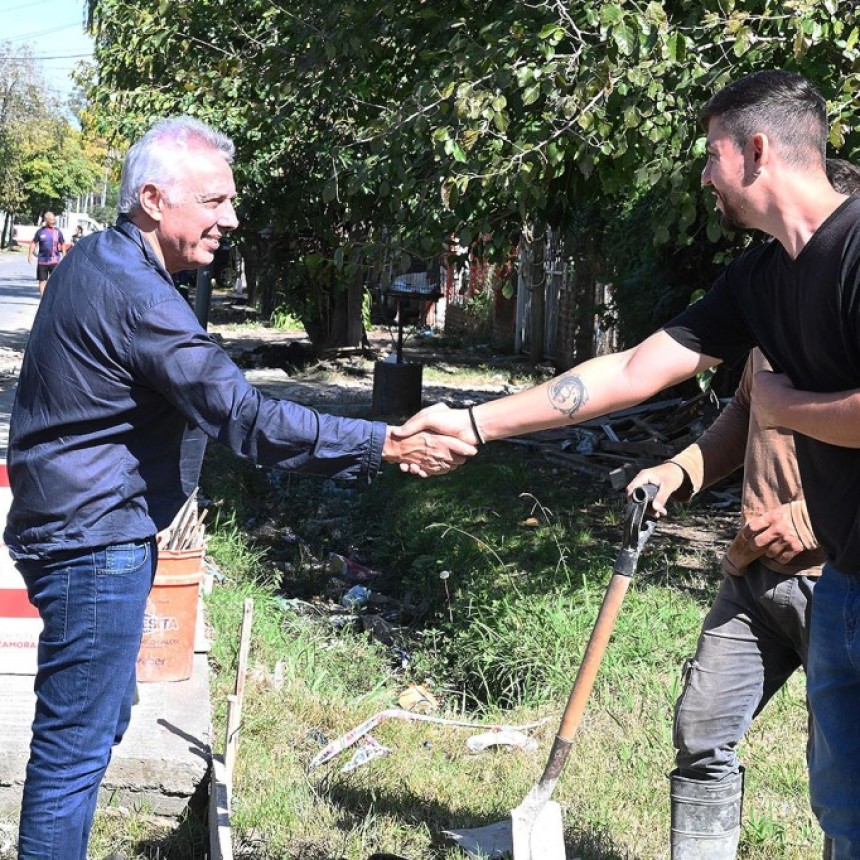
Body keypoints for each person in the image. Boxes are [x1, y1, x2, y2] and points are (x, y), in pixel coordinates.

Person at [399, 70, 860, 857]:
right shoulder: (759, 278)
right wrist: (477, 424)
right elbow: (634, 368)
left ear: (755, 151)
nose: (704, 177)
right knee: (845, 815)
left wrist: (787, 410)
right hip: (848, 581)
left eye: (711, 157)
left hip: (837, 576)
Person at [5, 116, 476, 860]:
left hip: (66, 522)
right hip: (93, 542)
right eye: (215, 201)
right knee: (72, 757)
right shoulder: (142, 296)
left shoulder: (98, 258)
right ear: (155, 200)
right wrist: (382, 440)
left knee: (93, 724)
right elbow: (247, 419)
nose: (231, 219)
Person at [626, 157, 860, 860]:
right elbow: (743, 417)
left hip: (832, 579)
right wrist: (679, 470)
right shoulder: (771, 313)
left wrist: (811, 523)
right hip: (754, 573)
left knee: (841, 783)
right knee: (702, 730)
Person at [27, 212, 65, 295]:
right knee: (42, 281)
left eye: (53, 220)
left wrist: (64, 256)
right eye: (51, 220)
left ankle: (53, 297)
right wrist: (30, 255)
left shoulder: (57, 231)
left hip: (54, 261)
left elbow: (63, 243)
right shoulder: (40, 231)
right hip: (42, 261)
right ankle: (43, 299)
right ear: (46, 220)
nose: (53, 222)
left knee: (55, 280)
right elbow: (33, 243)